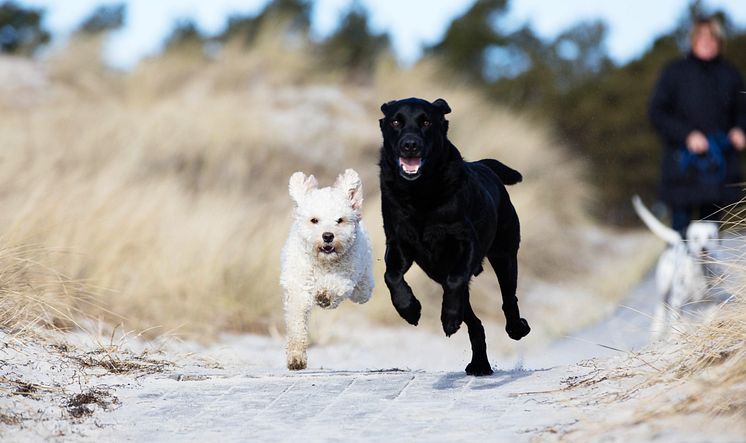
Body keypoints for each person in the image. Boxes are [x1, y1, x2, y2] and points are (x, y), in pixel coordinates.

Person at [649, 16, 746, 234]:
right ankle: (681, 265)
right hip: (682, 168)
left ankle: (707, 268)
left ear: (720, 41)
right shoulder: (675, 72)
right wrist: (686, 135)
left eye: (712, 37)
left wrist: (740, 129)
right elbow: (657, 112)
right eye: (701, 37)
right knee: (680, 237)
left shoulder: (730, 74)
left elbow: (742, 111)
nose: (707, 42)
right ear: (692, 40)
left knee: (710, 239)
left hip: (718, 169)